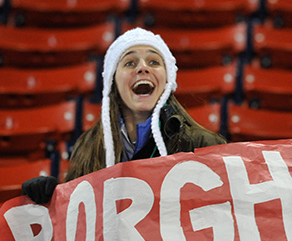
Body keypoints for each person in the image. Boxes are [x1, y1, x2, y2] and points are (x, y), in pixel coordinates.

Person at [22, 27, 226, 203]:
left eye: (154, 62)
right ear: (113, 81)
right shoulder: (90, 145)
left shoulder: (203, 144)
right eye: (130, 63)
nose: (142, 68)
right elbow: (79, 213)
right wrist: (51, 195)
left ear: (167, 80)